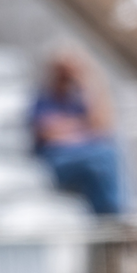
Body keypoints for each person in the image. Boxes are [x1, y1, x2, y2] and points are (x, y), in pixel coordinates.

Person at [31, 50, 123, 215]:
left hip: (87, 159)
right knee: (104, 157)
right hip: (57, 161)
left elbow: (103, 127)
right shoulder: (44, 100)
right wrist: (84, 129)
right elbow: (51, 135)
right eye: (63, 73)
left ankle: (109, 215)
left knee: (102, 164)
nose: (66, 78)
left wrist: (86, 84)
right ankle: (114, 215)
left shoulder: (79, 100)